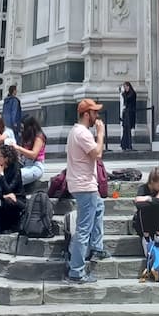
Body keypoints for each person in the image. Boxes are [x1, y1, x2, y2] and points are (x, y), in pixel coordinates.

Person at [65, 97, 109, 284]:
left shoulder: (74, 131)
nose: (97, 116)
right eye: (94, 113)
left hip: (82, 183)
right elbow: (97, 154)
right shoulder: (83, 133)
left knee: (99, 207)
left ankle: (97, 247)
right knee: (83, 228)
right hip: (85, 186)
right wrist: (101, 134)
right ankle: (77, 271)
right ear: (86, 114)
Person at [0, 143, 24, 232]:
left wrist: (1, 175)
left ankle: (14, 226)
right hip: (5, 197)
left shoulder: (16, 169)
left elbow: (9, 190)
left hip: (17, 200)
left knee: (9, 201)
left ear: (6, 158)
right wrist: (2, 196)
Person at [15, 116, 46, 186]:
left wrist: (19, 148)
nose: (22, 130)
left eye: (23, 128)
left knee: (16, 176)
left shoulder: (39, 137)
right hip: (25, 164)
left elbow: (33, 155)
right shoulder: (26, 137)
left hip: (36, 166)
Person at [119, 81, 137, 151]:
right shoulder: (126, 94)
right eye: (125, 87)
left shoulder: (132, 94)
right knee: (125, 129)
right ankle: (124, 144)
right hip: (126, 113)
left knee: (128, 129)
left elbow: (128, 99)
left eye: (126, 87)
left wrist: (123, 94)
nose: (126, 88)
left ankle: (129, 145)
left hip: (130, 113)